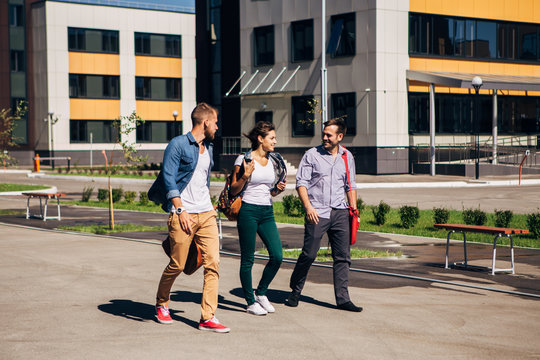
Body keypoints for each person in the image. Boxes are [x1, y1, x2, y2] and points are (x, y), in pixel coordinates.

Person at [148, 103, 230, 333]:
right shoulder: (178, 145)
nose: (217, 126)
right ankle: (162, 302)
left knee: (213, 263)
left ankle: (207, 316)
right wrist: (180, 209)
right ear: (205, 122)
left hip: (206, 214)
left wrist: (210, 205)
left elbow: (201, 180)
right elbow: (168, 178)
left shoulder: (209, 147)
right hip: (183, 213)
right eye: (215, 122)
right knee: (178, 264)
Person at [285, 117, 362, 312]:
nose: (325, 137)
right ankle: (295, 290)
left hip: (341, 212)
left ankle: (343, 299)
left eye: (329, 135)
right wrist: (309, 208)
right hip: (317, 212)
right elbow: (301, 183)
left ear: (340, 136)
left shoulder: (347, 156)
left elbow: (350, 185)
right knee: (309, 253)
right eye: (324, 134)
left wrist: (354, 211)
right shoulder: (312, 155)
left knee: (343, 257)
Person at [230, 121, 287, 316]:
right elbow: (233, 190)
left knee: (277, 256)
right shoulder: (244, 159)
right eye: (271, 138)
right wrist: (245, 176)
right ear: (260, 139)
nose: (275, 141)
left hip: (267, 211)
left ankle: (261, 292)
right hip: (248, 211)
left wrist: (275, 191)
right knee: (248, 259)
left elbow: (267, 191)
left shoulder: (273, 160)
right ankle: (250, 301)